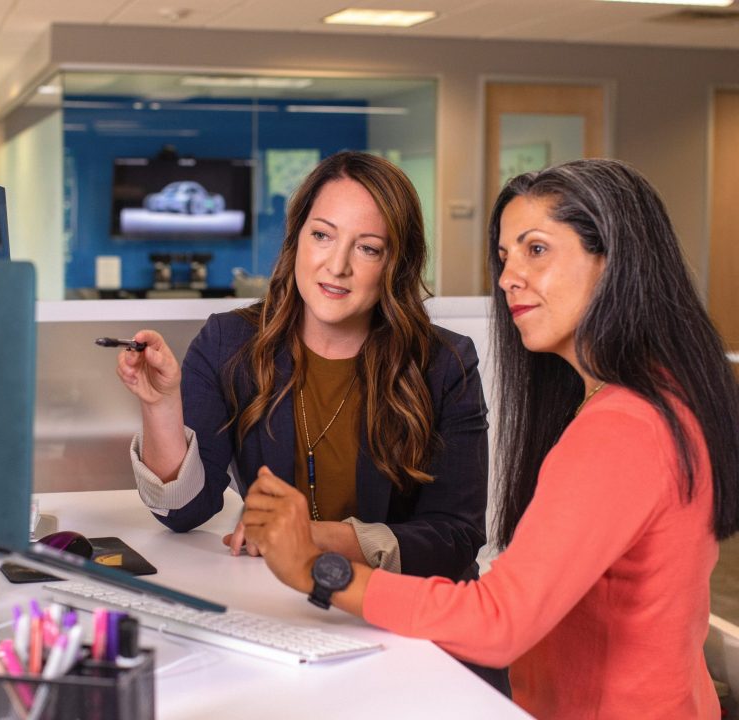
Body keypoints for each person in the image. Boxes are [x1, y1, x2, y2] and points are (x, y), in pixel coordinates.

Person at [240, 158, 739, 718]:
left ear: (613, 262)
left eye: (537, 249)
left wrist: (318, 570)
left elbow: (498, 622)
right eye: (504, 257)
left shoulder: (624, 428)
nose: (507, 278)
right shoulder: (666, 397)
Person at [116, 151, 507, 691]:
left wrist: (311, 542)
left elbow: (457, 537)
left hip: (409, 630)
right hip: (287, 622)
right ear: (297, 237)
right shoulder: (229, 343)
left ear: (396, 263)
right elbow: (185, 512)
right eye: (322, 236)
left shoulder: (444, 362)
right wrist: (160, 404)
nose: (337, 265)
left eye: (367, 248)